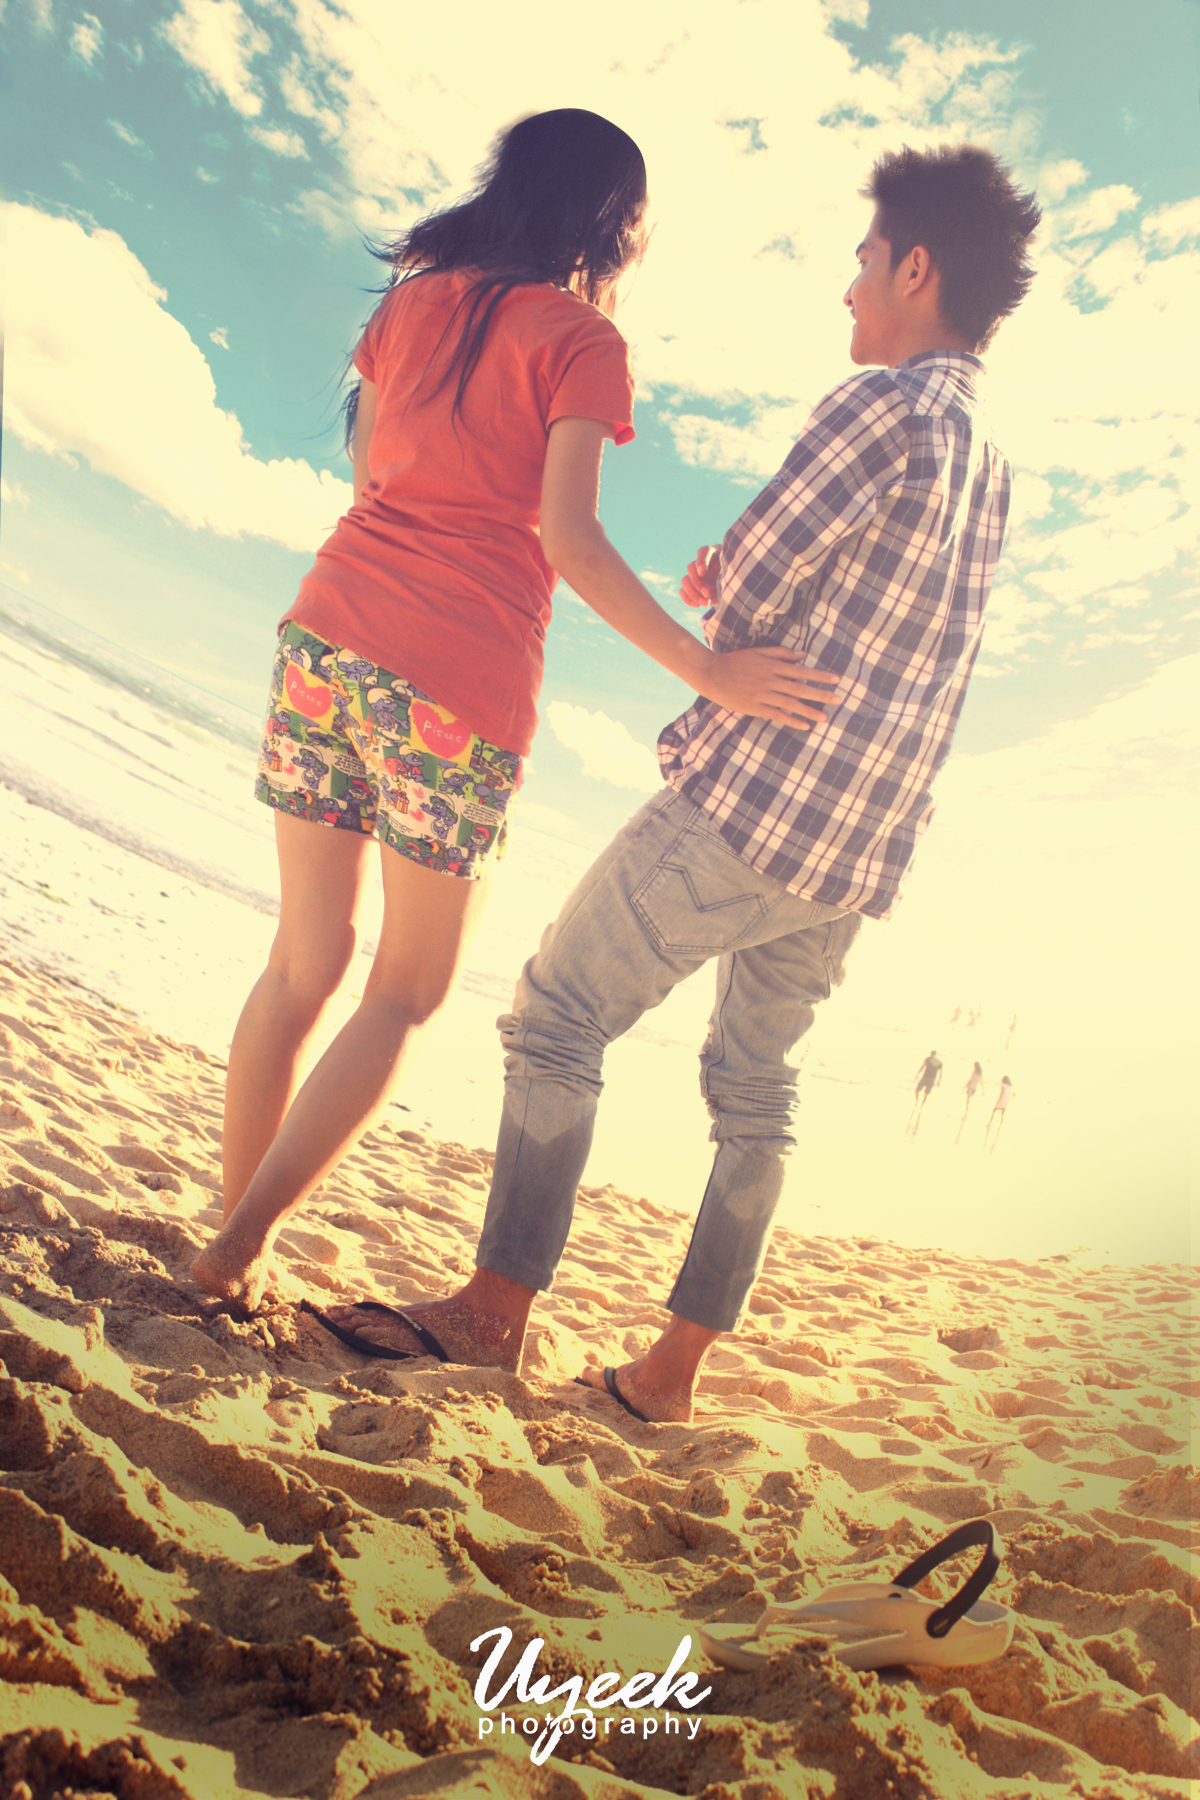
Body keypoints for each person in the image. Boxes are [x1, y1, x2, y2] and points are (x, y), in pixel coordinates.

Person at [316, 142, 1041, 1421]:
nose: (851, 290)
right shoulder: (991, 458)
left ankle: (494, 1313)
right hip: (860, 845)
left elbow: (760, 562)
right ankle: (668, 1377)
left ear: (917, 267)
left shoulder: (881, 405)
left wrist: (717, 588)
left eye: (866, 263)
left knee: (555, 1014)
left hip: (753, 803)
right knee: (757, 1088)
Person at [192, 109, 826, 1311]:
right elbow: (570, 539)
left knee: (301, 960)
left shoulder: (412, 304)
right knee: (406, 993)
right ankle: (237, 1244)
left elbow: (369, 468)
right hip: (458, 683)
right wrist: (712, 673)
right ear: (614, 221)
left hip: (324, 636)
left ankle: (236, 1236)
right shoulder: (580, 339)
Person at [955, 1060, 984, 1143]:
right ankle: (966, 1111)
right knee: (968, 1099)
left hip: (971, 1087)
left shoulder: (974, 1072)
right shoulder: (980, 1073)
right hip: (974, 1088)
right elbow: (981, 1082)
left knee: (968, 1100)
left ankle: (966, 1112)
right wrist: (983, 1090)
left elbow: (970, 1080)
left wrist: (965, 1086)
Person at [986, 1075, 1014, 1146]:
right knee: (1002, 1114)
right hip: (1006, 1103)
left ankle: (989, 1123)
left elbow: (1002, 1092)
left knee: (994, 1111)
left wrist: (999, 1099)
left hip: (1001, 1101)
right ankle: (1000, 1125)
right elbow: (1014, 1094)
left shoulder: (1004, 1086)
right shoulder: (1010, 1086)